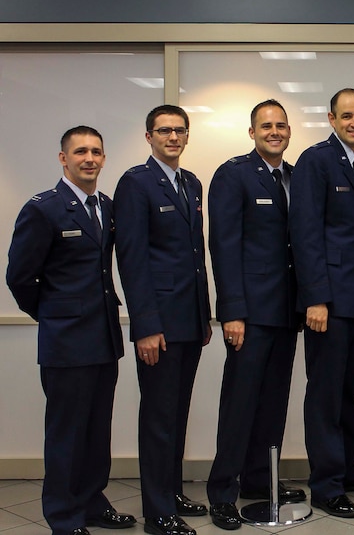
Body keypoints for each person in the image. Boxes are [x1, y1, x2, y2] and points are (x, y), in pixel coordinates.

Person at [7, 126, 136, 535]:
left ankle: (92, 503)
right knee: (67, 432)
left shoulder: (108, 206)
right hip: (66, 342)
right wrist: (53, 315)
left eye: (96, 151)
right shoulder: (44, 208)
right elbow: (20, 277)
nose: (89, 159)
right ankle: (63, 515)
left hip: (103, 339)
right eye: (80, 152)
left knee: (98, 431)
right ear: (63, 158)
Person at [288, 88, 354, 519]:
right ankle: (326, 485)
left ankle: (347, 466)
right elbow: (305, 232)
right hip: (327, 301)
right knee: (325, 393)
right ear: (331, 118)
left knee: (348, 389)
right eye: (346, 116)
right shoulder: (316, 160)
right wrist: (316, 298)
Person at [206, 100, 304, 530]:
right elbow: (223, 248)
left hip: (285, 312)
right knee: (240, 404)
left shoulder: (295, 176)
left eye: (281, 125)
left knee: (273, 402)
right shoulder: (233, 174)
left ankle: (260, 480)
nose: (274, 131)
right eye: (266, 126)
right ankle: (222, 491)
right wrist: (231, 312)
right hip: (249, 313)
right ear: (252, 132)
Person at [114, 105, 212, 535]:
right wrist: (146, 325)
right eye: (164, 130)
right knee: (158, 416)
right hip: (159, 325)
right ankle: (157, 512)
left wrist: (204, 314)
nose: (173, 137)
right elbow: (132, 260)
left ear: (187, 136)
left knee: (177, 413)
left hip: (190, 320)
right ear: (149, 136)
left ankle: (171, 492)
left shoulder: (191, 183)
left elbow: (195, 257)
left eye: (179, 130)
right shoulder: (135, 183)